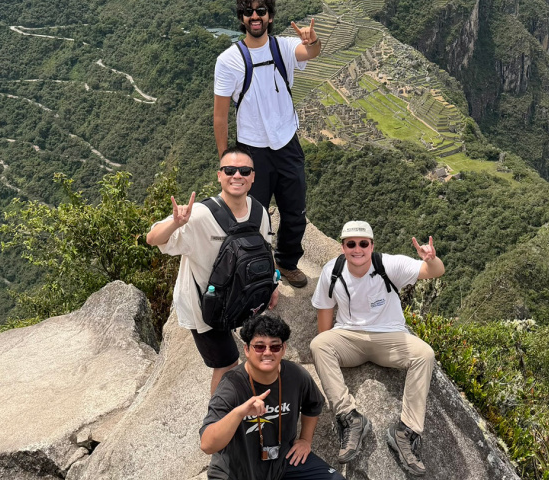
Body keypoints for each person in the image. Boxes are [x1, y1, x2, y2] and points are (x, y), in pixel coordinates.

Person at [310, 221, 445, 476]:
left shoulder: (388, 265)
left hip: (389, 337)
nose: (357, 249)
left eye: (363, 244)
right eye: (351, 244)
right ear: (343, 247)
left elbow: (434, 272)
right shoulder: (332, 271)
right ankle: (350, 418)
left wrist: (431, 259)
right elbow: (324, 318)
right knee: (319, 345)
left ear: (372, 246)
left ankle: (406, 431)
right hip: (349, 337)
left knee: (424, 355)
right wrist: (327, 352)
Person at [146, 146, 278, 395]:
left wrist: (273, 285)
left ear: (252, 176)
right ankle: (218, 421)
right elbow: (153, 239)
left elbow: (264, 252)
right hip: (203, 304)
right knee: (228, 362)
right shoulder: (199, 215)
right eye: (229, 170)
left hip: (238, 294)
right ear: (219, 175)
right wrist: (175, 223)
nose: (236, 175)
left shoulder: (260, 212)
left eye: (244, 170)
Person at [213, 0, 322, 288]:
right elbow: (220, 116)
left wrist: (313, 41)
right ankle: (255, 268)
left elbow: (310, 52)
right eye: (248, 11)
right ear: (242, 17)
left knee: (295, 209)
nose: (255, 16)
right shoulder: (228, 60)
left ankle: (286, 262)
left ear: (270, 16)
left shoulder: (283, 48)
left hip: (286, 142)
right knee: (251, 213)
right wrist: (226, 160)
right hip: (251, 150)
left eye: (261, 10)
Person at [200, 314, 345, 480]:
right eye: (259, 347)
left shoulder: (296, 375)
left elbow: (313, 405)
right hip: (237, 471)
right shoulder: (231, 386)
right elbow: (207, 445)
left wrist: (305, 440)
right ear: (247, 349)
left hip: (282, 463)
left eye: (275, 347)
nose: (267, 353)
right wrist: (239, 412)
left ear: (283, 349)